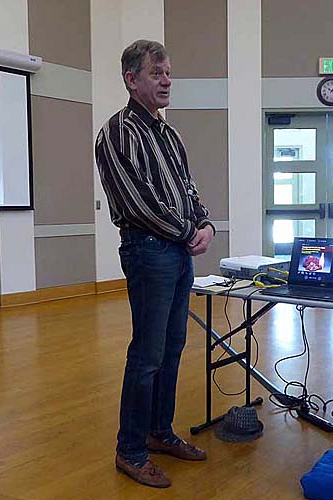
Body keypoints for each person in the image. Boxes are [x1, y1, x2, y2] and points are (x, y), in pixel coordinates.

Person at [95, 39, 215, 489]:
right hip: (148, 252)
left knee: (172, 348)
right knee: (146, 355)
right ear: (132, 80)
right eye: (157, 73)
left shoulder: (170, 133)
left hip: (177, 253)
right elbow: (138, 202)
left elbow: (187, 187)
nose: (167, 80)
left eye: (169, 72)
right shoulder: (117, 133)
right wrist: (187, 233)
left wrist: (204, 223)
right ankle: (131, 450)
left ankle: (160, 433)